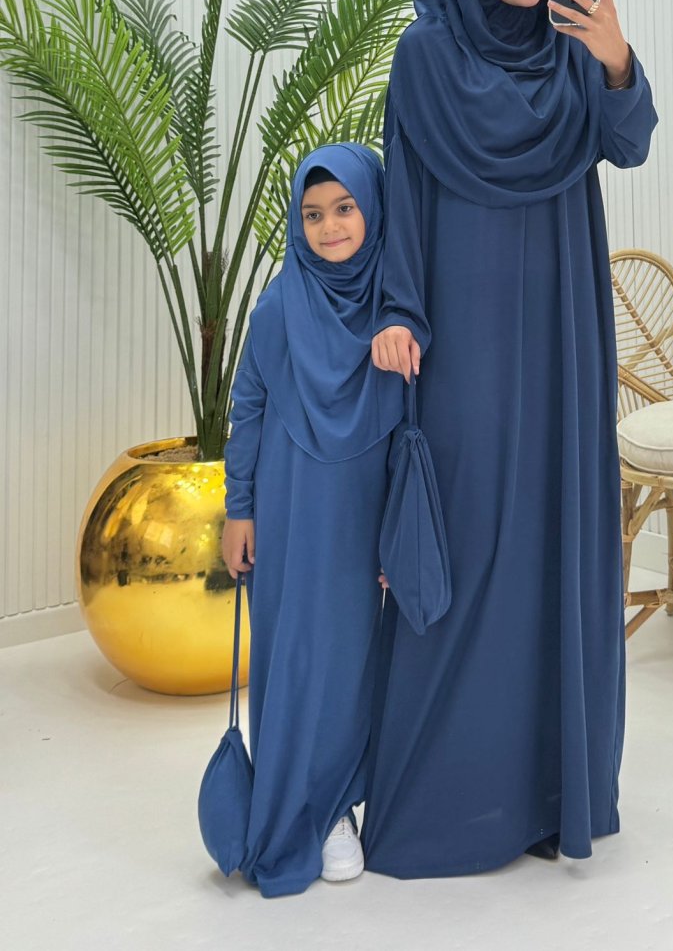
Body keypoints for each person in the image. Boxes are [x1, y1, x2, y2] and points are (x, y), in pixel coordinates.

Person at [363, 0, 657, 878]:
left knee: (555, 537)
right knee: (475, 536)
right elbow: (406, 186)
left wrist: (613, 54)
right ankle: (443, 800)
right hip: (466, 338)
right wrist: (400, 310)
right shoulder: (425, 56)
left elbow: (629, 143)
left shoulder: (572, 48)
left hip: (564, 331)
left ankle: (549, 792)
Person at [221, 143, 402, 897]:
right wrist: (239, 509)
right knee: (293, 657)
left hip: (362, 512)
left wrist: (397, 530)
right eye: (313, 214)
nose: (329, 227)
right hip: (291, 506)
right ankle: (298, 811)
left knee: (353, 660)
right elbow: (248, 408)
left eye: (345, 208)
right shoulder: (278, 305)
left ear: (374, 208)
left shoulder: (394, 308)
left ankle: (339, 805)